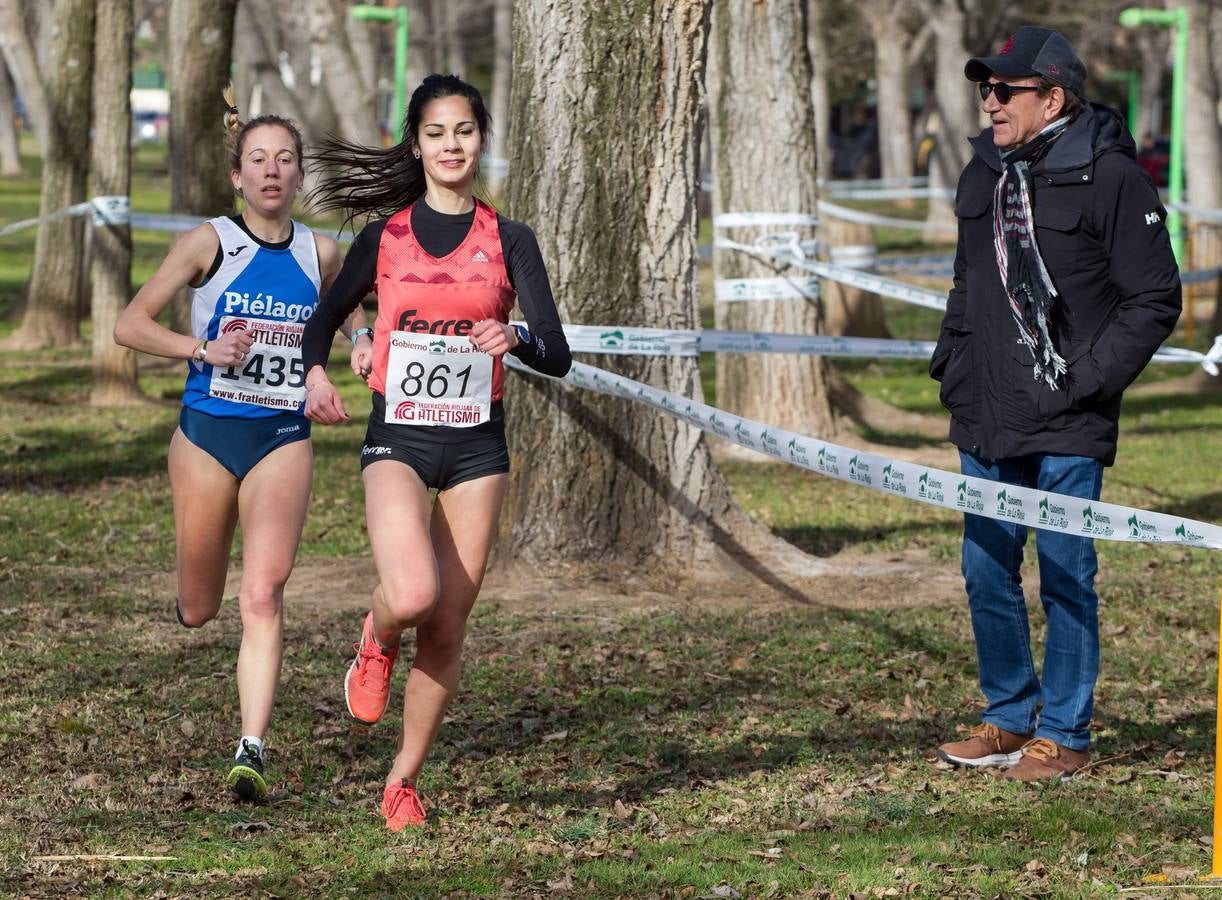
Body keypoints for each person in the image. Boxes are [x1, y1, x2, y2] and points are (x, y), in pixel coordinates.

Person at [301, 73, 572, 831]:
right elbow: (325, 318)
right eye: (436, 133)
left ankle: (402, 780)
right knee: (413, 595)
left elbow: (558, 351)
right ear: (417, 144)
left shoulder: (510, 239)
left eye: (464, 131)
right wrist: (330, 360)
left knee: (449, 624)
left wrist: (514, 336)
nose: (451, 145)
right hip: (400, 436)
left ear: (480, 139)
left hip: (477, 449)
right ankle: (376, 634)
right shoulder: (385, 237)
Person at [929, 27, 1181, 782]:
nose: (991, 103)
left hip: (1070, 416)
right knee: (984, 569)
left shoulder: (1111, 177)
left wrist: (1085, 383)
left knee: (1066, 571)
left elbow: (1154, 299)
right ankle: (1010, 717)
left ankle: (1065, 734)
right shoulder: (984, 172)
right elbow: (967, 283)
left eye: (1007, 90)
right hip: (985, 410)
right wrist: (953, 364)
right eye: (986, 89)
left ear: (1054, 97)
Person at [114, 92, 370, 801]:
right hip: (204, 436)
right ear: (237, 176)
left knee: (262, 593)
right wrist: (203, 347)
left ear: (298, 178)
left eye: (285, 160)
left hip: (281, 436)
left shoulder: (321, 253)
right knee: (201, 607)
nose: (271, 171)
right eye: (258, 159)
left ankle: (250, 749)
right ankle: (192, 601)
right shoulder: (208, 242)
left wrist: (355, 353)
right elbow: (129, 325)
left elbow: (355, 323)